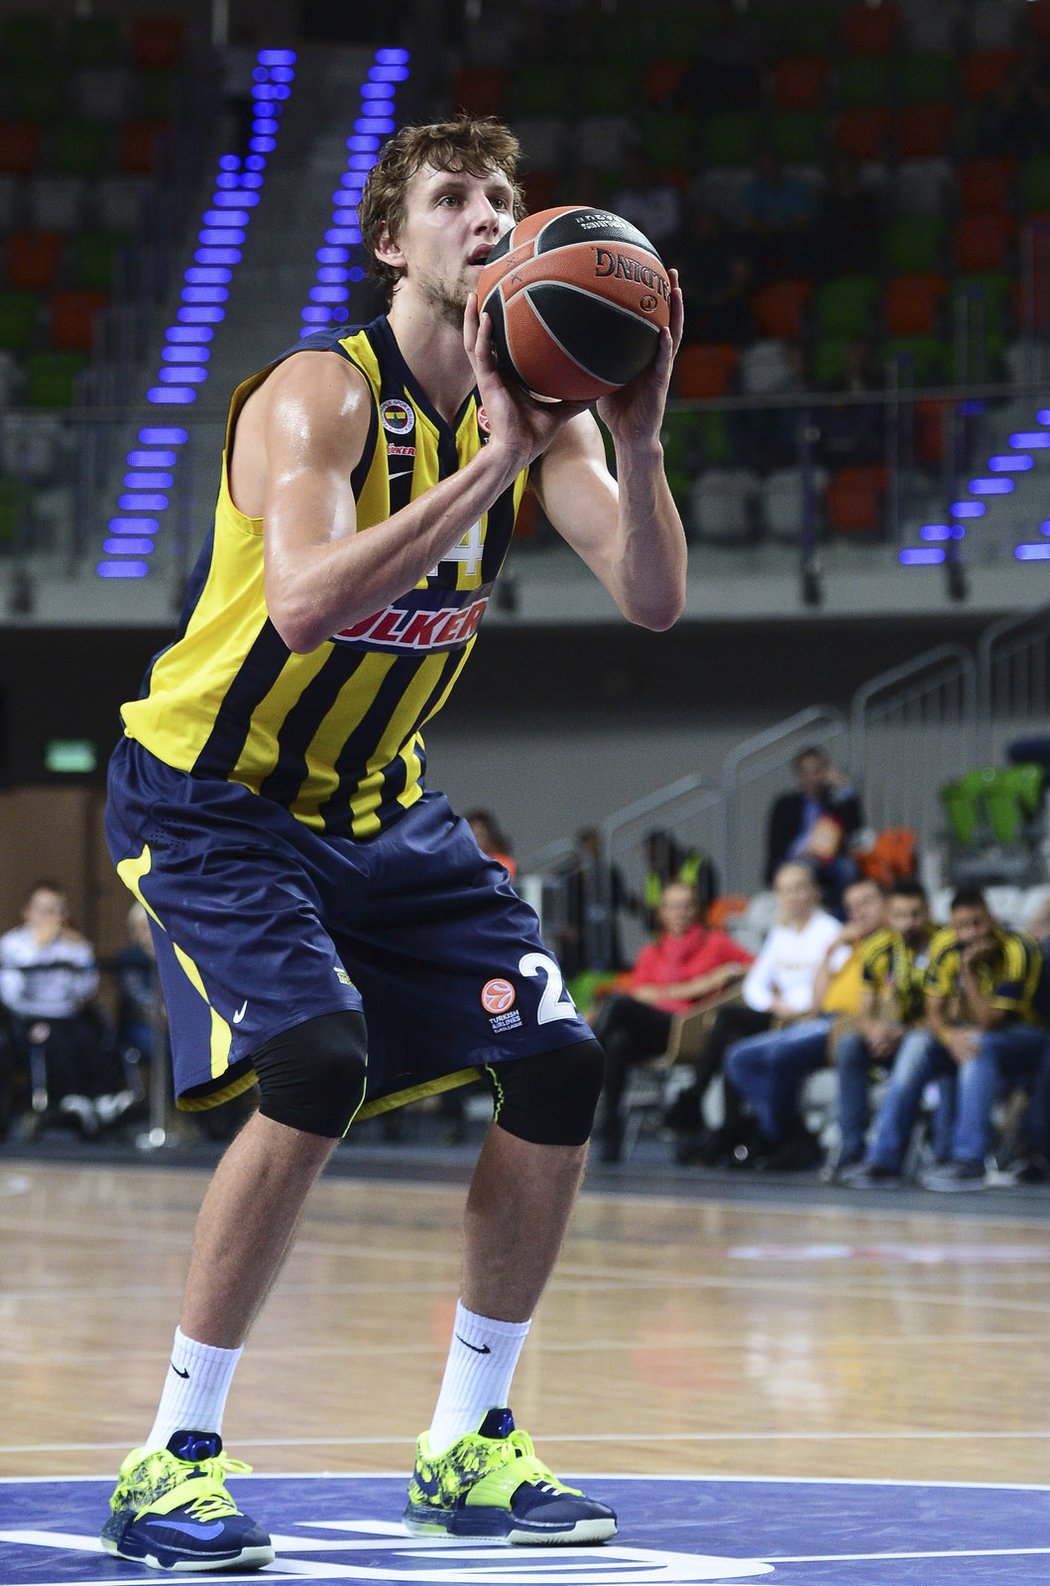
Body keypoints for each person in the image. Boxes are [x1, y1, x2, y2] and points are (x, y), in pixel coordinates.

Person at [100, 114, 685, 1571]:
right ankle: (171, 1455)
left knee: (556, 1060)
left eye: (504, 193)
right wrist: (491, 464)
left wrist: (635, 432)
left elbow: (653, 598)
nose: (485, 212)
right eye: (450, 196)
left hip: (378, 807)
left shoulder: (534, 425)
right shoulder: (319, 396)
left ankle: (469, 1439)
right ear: (392, 243)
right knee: (316, 1061)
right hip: (214, 797)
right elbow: (302, 605)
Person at [848, 889, 1045, 1190]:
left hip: (1028, 1039)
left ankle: (968, 1161)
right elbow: (934, 1011)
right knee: (917, 1042)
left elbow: (990, 1021)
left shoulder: (1018, 948)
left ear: (991, 918)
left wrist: (969, 970)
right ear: (951, 926)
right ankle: (884, 1159)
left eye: (977, 923)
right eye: (961, 926)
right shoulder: (943, 945)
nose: (970, 933)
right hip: (969, 1032)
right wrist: (948, 1036)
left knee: (979, 1044)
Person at [670, 861, 840, 1163]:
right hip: (778, 1014)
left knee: (728, 1020)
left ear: (814, 891)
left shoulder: (831, 932)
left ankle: (701, 1102)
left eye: (800, 888)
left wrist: (794, 1006)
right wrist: (775, 1004)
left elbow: (831, 988)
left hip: (808, 1020)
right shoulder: (781, 933)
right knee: (731, 1034)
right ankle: (732, 1129)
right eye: (786, 891)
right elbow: (755, 987)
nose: (794, 897)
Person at [722, 876, 888, 1169]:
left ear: (885, 903)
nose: (859, 912)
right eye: (852, 907)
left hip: (844, 1026)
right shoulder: (848, 943)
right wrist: (832, 949)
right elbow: (816, 1001)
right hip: (820, 1020)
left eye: (867, 903)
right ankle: (793, 1135)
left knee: (776, 1056)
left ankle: (781, 1138)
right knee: (738, 1057)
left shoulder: (890, 945)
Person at [590, 881, 753, 1162]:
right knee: (618, 1041)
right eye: (673, 906)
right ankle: (610, 1129)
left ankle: (583, 1061)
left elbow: (758, 965)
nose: (680, 912)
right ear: (662, 912)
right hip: (656, 1030)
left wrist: (725, 972)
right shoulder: (652, 951)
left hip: (692, 1028)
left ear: (697, 910)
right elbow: (640, 993)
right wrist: (685, 990)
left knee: (617, 1004)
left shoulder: (717, 942)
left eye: (687, 905)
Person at [0, 881, 129, 1137]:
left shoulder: (72, 945)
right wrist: (39, 948)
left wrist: (80, 952)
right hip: (29, 1016)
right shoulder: (12, 944)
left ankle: (104, 1098)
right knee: (53, 1038)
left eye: (59, 910)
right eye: (46, 910)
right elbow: (11, 995)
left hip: (68, 1014)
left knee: (90, 1036)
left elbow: (85, 990)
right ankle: (69, 1099)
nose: (53, 917)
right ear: (28, 912)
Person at [827, 878, 937, 1178]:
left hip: (934, 1036)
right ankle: (851, 1148)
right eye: (900, 915)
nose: (907, 923)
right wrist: (873, 1030)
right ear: (890, 915)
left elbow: (946, 1014)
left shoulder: (942, 944)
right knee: (850, 1044)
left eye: (915, 915)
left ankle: (885, 1157)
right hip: (896, 1033)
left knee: (915, 1046)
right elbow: (864, 1011)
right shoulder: (877, 948)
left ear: (927, 912)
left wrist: (901, 1033)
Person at [764, 744, 864, 911]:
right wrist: (801, 849)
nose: (814, 777)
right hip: (796, 857)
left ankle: (841, 918)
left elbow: (855, 826)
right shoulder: (786, 804)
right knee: (805, 869)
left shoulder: (834, 804)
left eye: (818, 770)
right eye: (808, 771)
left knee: (847, 868)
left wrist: (843, 786)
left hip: (830, 859)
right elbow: (775, 843)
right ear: (800, 775)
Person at [465, 807, 517, 879]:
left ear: (490, 837)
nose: (474, 840)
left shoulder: (502, 862)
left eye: (479, 835)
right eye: (470, 835)